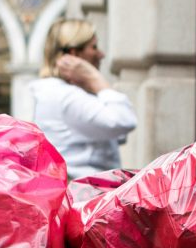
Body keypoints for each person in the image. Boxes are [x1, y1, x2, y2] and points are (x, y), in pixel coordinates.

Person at [28, 19, 137, 175]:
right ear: (74, 54)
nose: (101, 54)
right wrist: (95, 78)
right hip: (86, 191)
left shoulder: (60, 92)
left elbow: (118, 135)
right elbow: (123, 120)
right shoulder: (65, 96)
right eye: (94, 47)